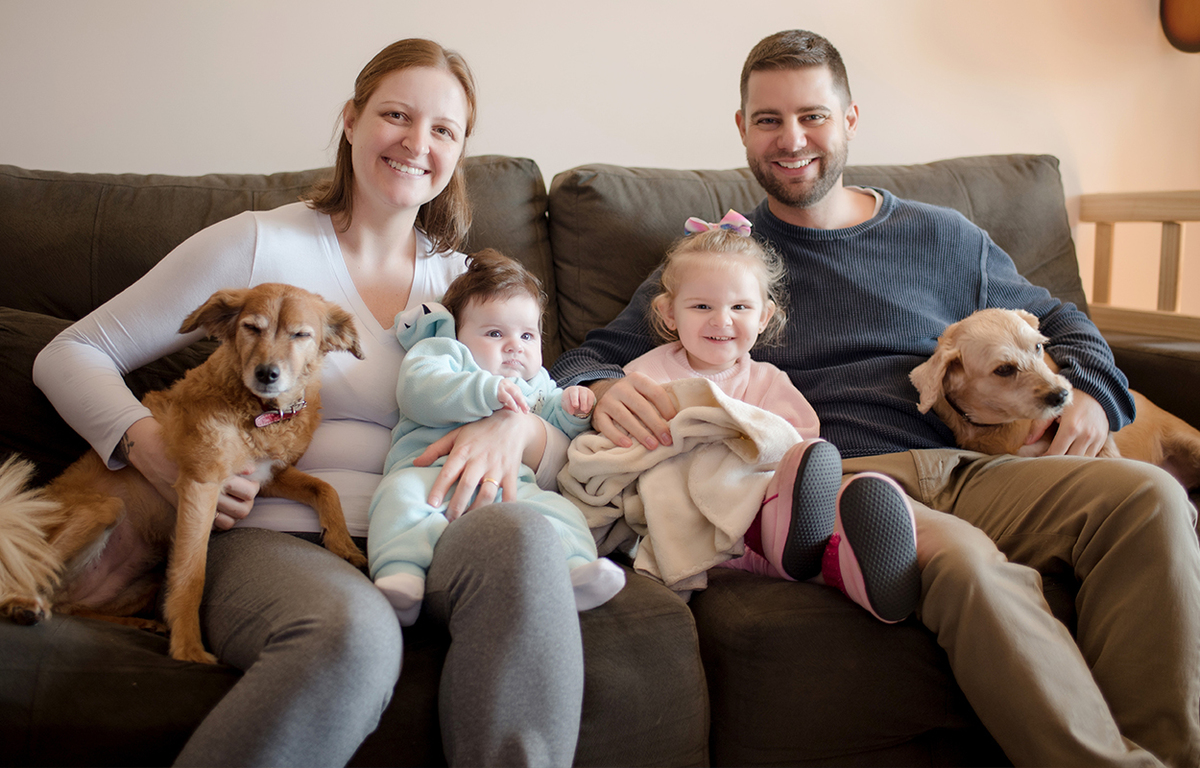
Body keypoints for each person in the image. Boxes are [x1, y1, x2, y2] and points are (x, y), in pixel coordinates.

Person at [551, 29, 1200, 768]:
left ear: (850, 119)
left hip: (971, 463)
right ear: (742, 130)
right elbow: (586, 355)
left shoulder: (946, 237)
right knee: (966, 564)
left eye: (813, 116)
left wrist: (1087, 389)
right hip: (848, 482)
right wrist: (600, 388)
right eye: (768, 120)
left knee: (1147, 497)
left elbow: (1060, 323)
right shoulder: (723, 263)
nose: (792, 139)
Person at [34, 39, 585, 767]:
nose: (418, 143)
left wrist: (517, 436)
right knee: (350, 633)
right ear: (352, 120)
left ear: (459, 151)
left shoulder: (467, 287)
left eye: (444, 130)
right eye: (396, 114)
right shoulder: (259, 243)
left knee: (528, 543)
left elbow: (553, 430)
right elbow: (68, 354)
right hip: (279, 531)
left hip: (436, 524)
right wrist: (151, 447)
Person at [584, 212, 920, 622]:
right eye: (702, 305)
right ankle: (815, 554)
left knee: (796, 523)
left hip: (761, 503)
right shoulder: (647, 374)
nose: (721, 320)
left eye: (740, 306)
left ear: (763, 317)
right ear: (670, 314)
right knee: (769, 543)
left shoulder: (766, 380)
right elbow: (625, 442)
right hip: (698, 513)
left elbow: (798, 445)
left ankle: (853, 566)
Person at [368, 249, 625, 625]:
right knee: (398, 499)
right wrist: (486, 390)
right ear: (457, 332)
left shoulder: (537, 383)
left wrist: (574, 410)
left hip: (510, 485)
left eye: (527, 335)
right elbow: (420, 392)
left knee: (561, 513)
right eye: (494, 333)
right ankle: (401, 576)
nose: (514, 346)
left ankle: (575, 571)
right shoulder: (444, 354)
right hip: (427, 472)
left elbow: (555, 426)